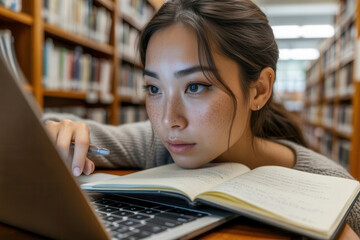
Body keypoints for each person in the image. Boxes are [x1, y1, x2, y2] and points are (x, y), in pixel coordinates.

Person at [43, 0, 360, 235]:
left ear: (259, 90)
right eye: (154, 88)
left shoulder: (341, 194)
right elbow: (45, 127)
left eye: (195, 87)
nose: (169, 120)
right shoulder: (157, 144)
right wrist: (57, 130)